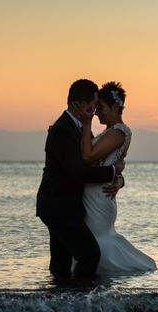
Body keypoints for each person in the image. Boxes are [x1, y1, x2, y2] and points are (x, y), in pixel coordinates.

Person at [36, 79, 125, 280]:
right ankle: (81, 300)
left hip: (66, 206)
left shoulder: (78, 128)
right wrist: (112, 172)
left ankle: (60, 302)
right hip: (58, 206)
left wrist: (118, 179)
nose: (95, 110)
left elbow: (92, 162)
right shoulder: (62, 131)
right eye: (94, 104)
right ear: (82, 104)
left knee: (61, 263)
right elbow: (79, 173)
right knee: (89, 254)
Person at [71, 81, 156, 273]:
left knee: (97, 241)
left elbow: (88, 156)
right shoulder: (108, 132)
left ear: (116, 107)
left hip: (100, 197)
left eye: (100, 108)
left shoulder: (118, 132)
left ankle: (96, 285)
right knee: (91, 241)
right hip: (94, 194)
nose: (96, 112)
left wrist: (85, 124)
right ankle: (93, 287)